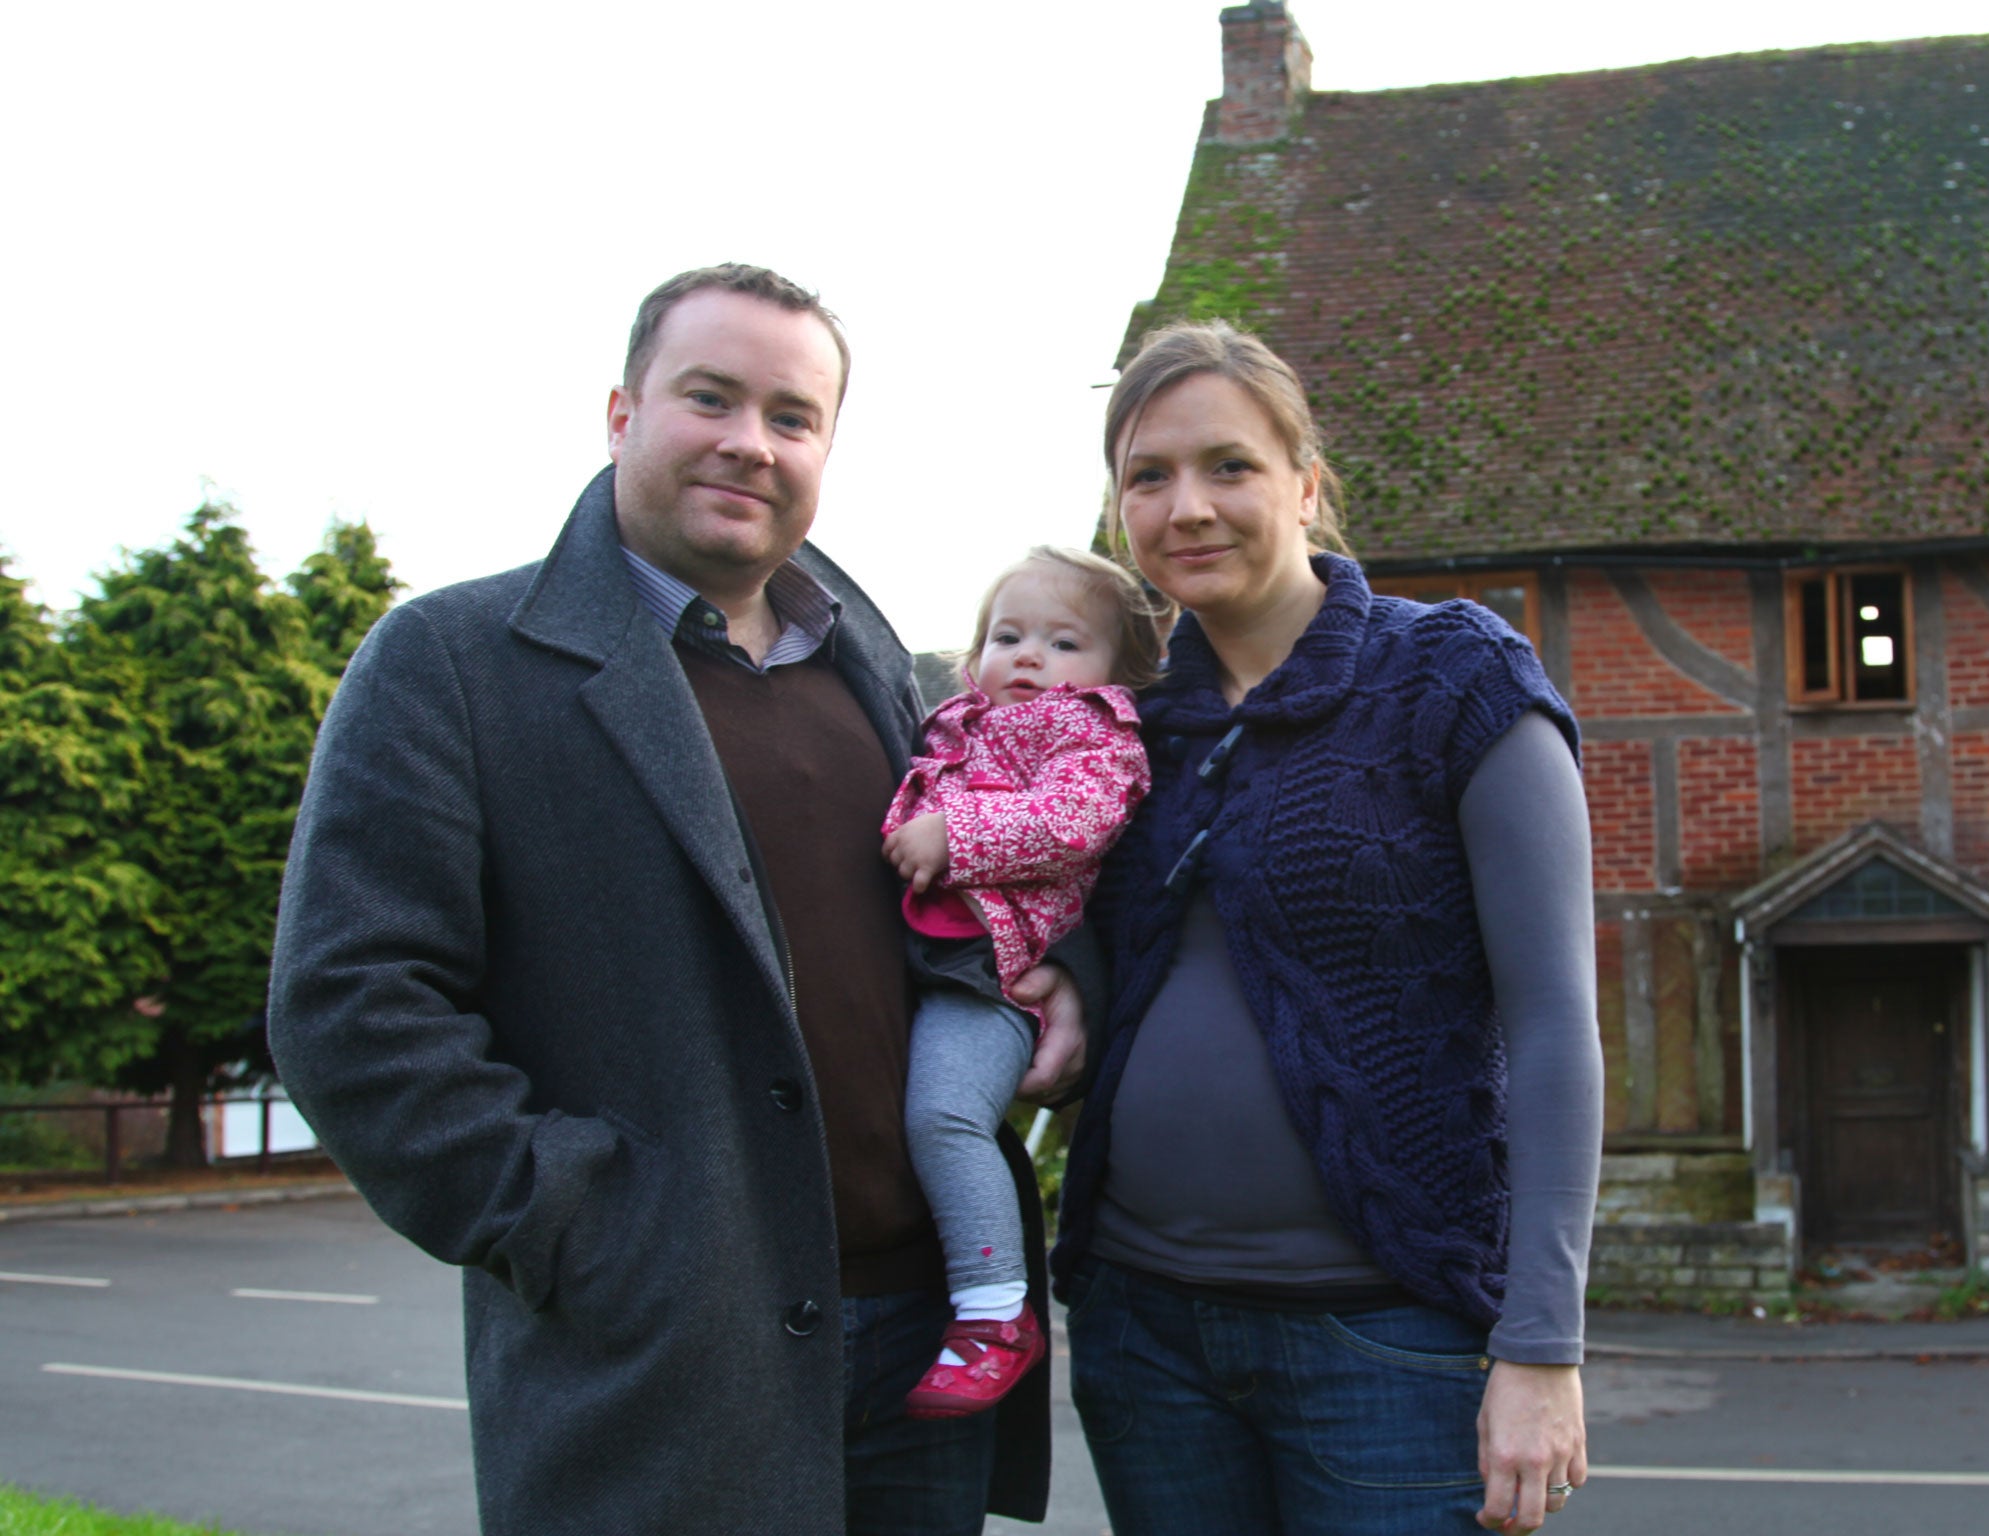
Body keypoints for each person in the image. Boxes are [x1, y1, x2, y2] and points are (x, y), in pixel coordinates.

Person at [268, 264, 1088, 1536]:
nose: (748, 444)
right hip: (664, 1363)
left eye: (791, 416)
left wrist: (1050, 985)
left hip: (923, 1342)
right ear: (620, 412)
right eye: (710, 397)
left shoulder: (883, 661)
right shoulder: (449, 664)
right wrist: (585, 1231)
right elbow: (351, 1009)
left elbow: (991, 882)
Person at [1050, 320, 1603, 1536]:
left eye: (1228, 466)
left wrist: (1541, 1346)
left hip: (1388, 1337)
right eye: (1147, 476)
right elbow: (1094, 945)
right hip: (1145, 1332)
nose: (1185, 506)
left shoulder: (1451, 678)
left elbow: (1555, 1020)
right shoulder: (1119, 726)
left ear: (1304, 483)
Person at [879, 548, 1157, 1418]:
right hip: (930, 959)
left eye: (1065, 642)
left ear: (1118, 673)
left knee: (945, 1118)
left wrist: (953, 833)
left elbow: (1077, 822)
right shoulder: (951, 722)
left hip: (994, 974)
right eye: (1009, 635)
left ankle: (996, 1314)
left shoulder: (1093, 732)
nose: (1030, 655)